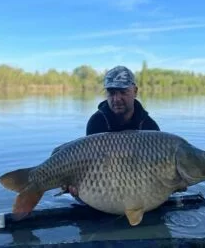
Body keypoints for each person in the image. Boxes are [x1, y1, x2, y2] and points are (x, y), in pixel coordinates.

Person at [61, 65, 161, 199]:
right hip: (105, 190)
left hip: (140, 189)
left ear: (135, 91)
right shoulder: (97, 122)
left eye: (123, 92)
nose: (116, 99)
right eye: (111, 92)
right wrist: (77, 185)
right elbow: (91, 168)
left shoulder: (150, 126)